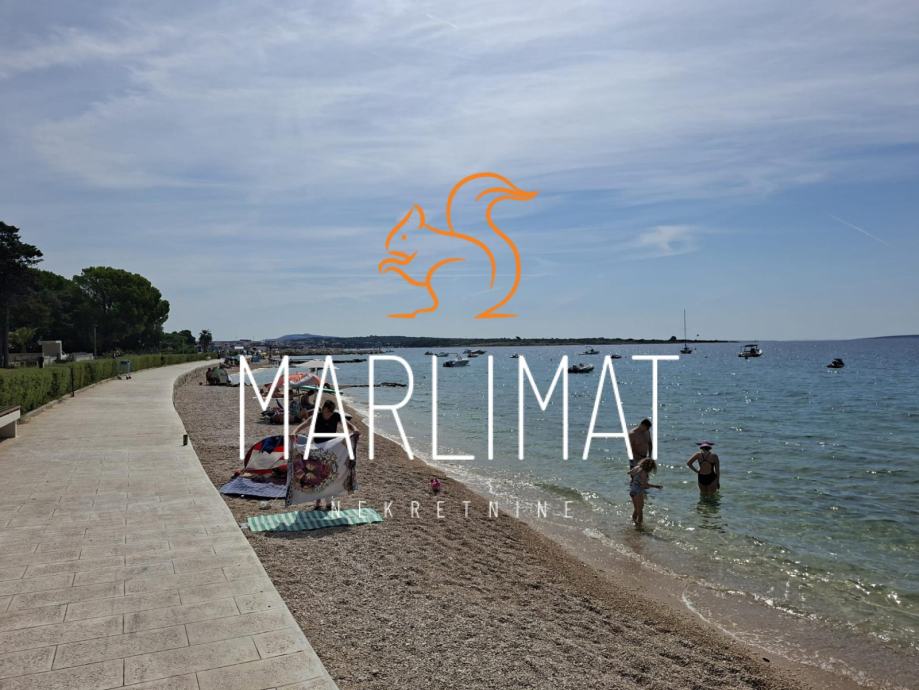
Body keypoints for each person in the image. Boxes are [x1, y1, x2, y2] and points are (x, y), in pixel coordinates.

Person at [628, 457, 662, 526]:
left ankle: (634, 523)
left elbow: (629, 472)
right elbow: (644, 485)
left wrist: (636, 476)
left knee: (636, 509)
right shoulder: (644, 473)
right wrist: (656, 486)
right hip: (638, 492)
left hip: (632, 490)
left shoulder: (637, 468)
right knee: (640, 511)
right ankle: (639, 527)